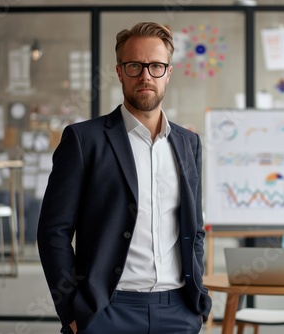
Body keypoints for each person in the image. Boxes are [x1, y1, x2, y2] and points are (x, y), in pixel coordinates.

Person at [37, 21, 212, 334]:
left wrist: (198, 303)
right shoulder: (83, 140)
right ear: (119, 72)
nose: (145, 75)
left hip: (178, 313)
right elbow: (54, 231)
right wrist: (72, 312)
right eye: (135, 65)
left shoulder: (189, 143)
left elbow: (194, 229)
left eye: (156, 66)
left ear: (168, 72)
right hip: (105, 312)